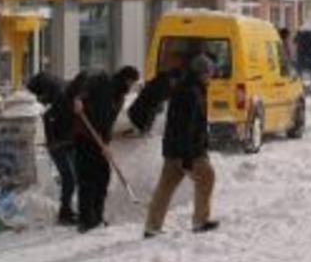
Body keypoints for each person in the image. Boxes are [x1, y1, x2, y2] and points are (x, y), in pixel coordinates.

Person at [144, 54, 218, 238]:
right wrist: (188, 156)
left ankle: (152, 226)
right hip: (188, 149)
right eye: (209, 73)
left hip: (174, 148)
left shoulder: (186, 88)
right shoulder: (192, 92)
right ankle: (200, 221)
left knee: (166, 186)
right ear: (202, 73)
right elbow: (187, 126)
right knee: (207, 177)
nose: (211, 77)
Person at [70, 66, 140, 233]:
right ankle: (86, 220)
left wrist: (106, 143)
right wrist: (79, 99)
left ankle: (97, 216)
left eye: (133, 83)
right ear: (124, 78)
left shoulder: (120, 97)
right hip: (85, 135)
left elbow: (109, 122)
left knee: (103, 176)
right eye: (130, 82)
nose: (130, 86)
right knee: (87, 178)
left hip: (100, 138)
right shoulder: (102, 80)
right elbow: (86, 85)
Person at [26, 71, 77, 225]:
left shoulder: (57, 96)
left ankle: (69, 211)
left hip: (63, 142)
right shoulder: (57, 94)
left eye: (39, 95)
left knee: (72, 178)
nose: (39, 99)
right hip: (62, 143)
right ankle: (65, 212)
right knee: (70, 178)